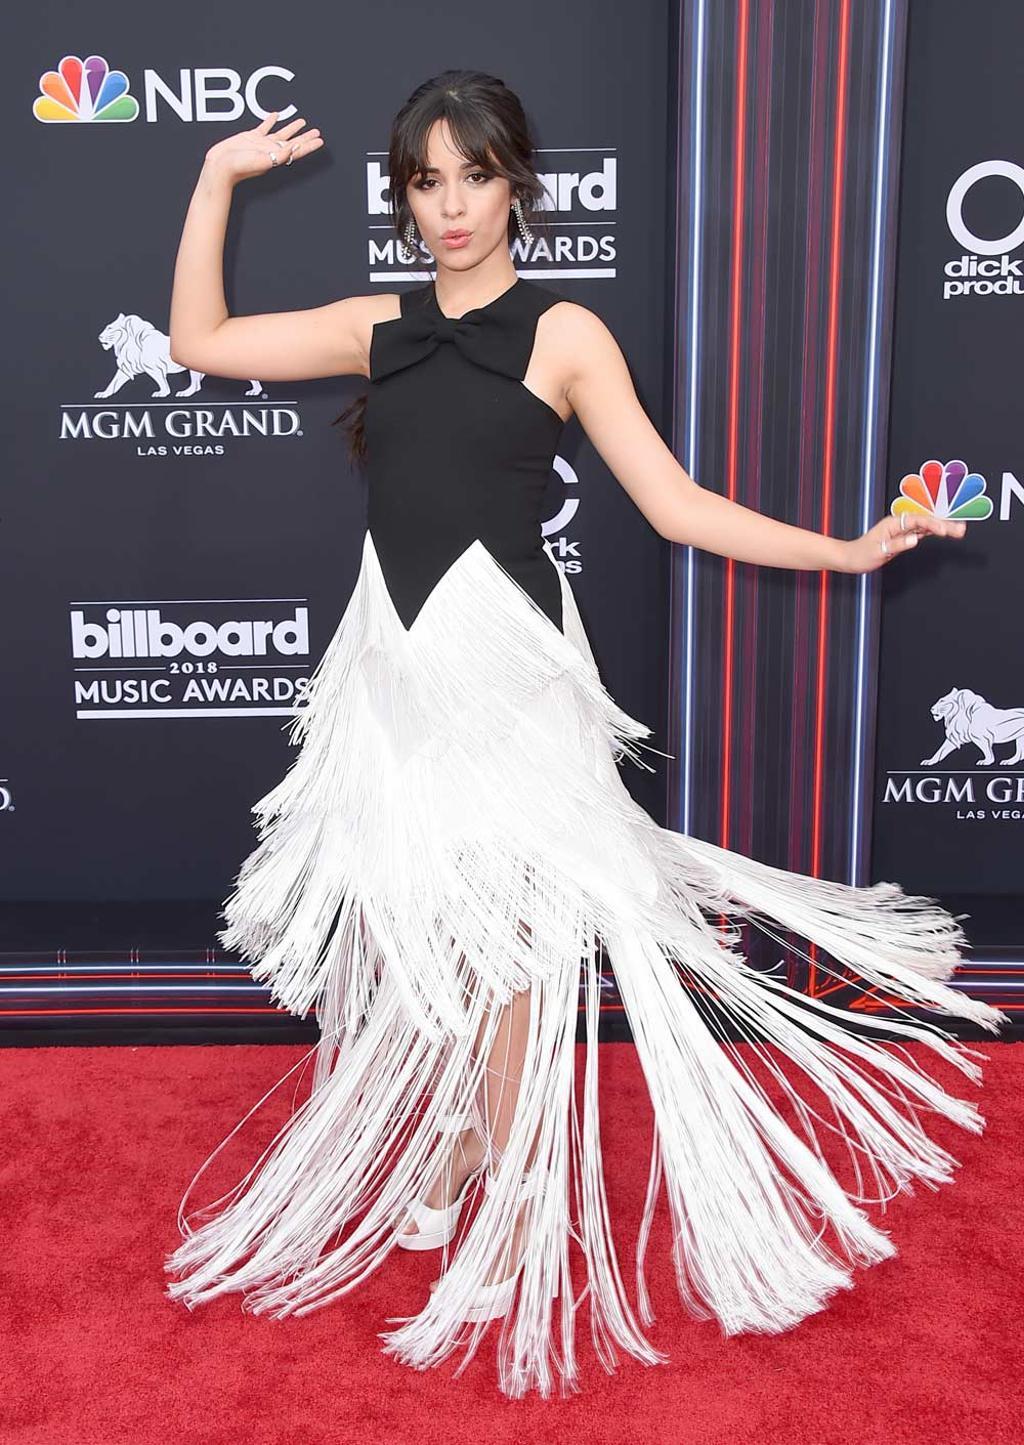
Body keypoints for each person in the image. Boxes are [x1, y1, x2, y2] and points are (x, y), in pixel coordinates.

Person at [162, 69, 1008, 1400]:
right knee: (416, 931)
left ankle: (503, 1194)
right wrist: (214, 179)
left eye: (473, 176)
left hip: (510, 675)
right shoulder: (378, 326)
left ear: (517, 184)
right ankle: (454, 1148)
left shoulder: (563, 335)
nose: (450, 206)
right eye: (426, 181)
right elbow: (201, 340)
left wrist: (848, 551)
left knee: (506, 947)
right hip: (390, 671)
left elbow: (674, 506)